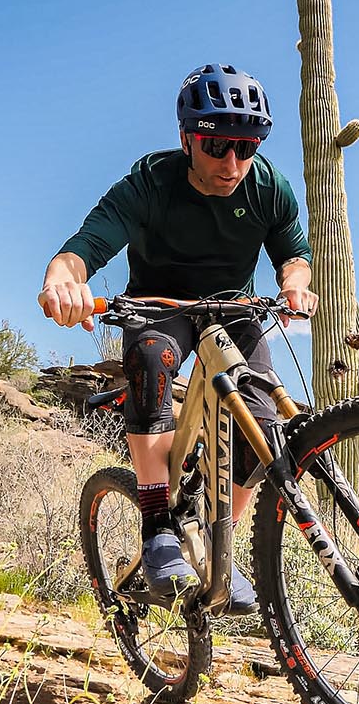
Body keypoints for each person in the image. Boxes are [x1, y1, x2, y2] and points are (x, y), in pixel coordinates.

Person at [38, 63, 318, 612]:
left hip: (233, 309)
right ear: (188, 138)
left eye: (248, 144)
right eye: (217, 146)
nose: (233, 162)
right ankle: (158, 523)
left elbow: (295, 255)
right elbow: (86, 245)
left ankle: (221, 547)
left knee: (261, 426)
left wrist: (295, 287)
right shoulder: (151, 182)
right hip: (157, 305)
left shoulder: (268, 187)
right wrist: (62, 280)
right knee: (149, 358)